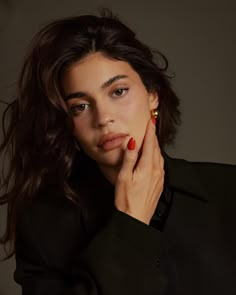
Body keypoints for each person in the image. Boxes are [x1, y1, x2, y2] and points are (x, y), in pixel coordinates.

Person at [0, 10, 235, 295]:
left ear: (152, 96)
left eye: (118, 91)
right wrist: (131, 221)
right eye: (81, 106)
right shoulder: (43, 228)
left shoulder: (228, 191)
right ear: (69, 125)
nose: (103, 118)